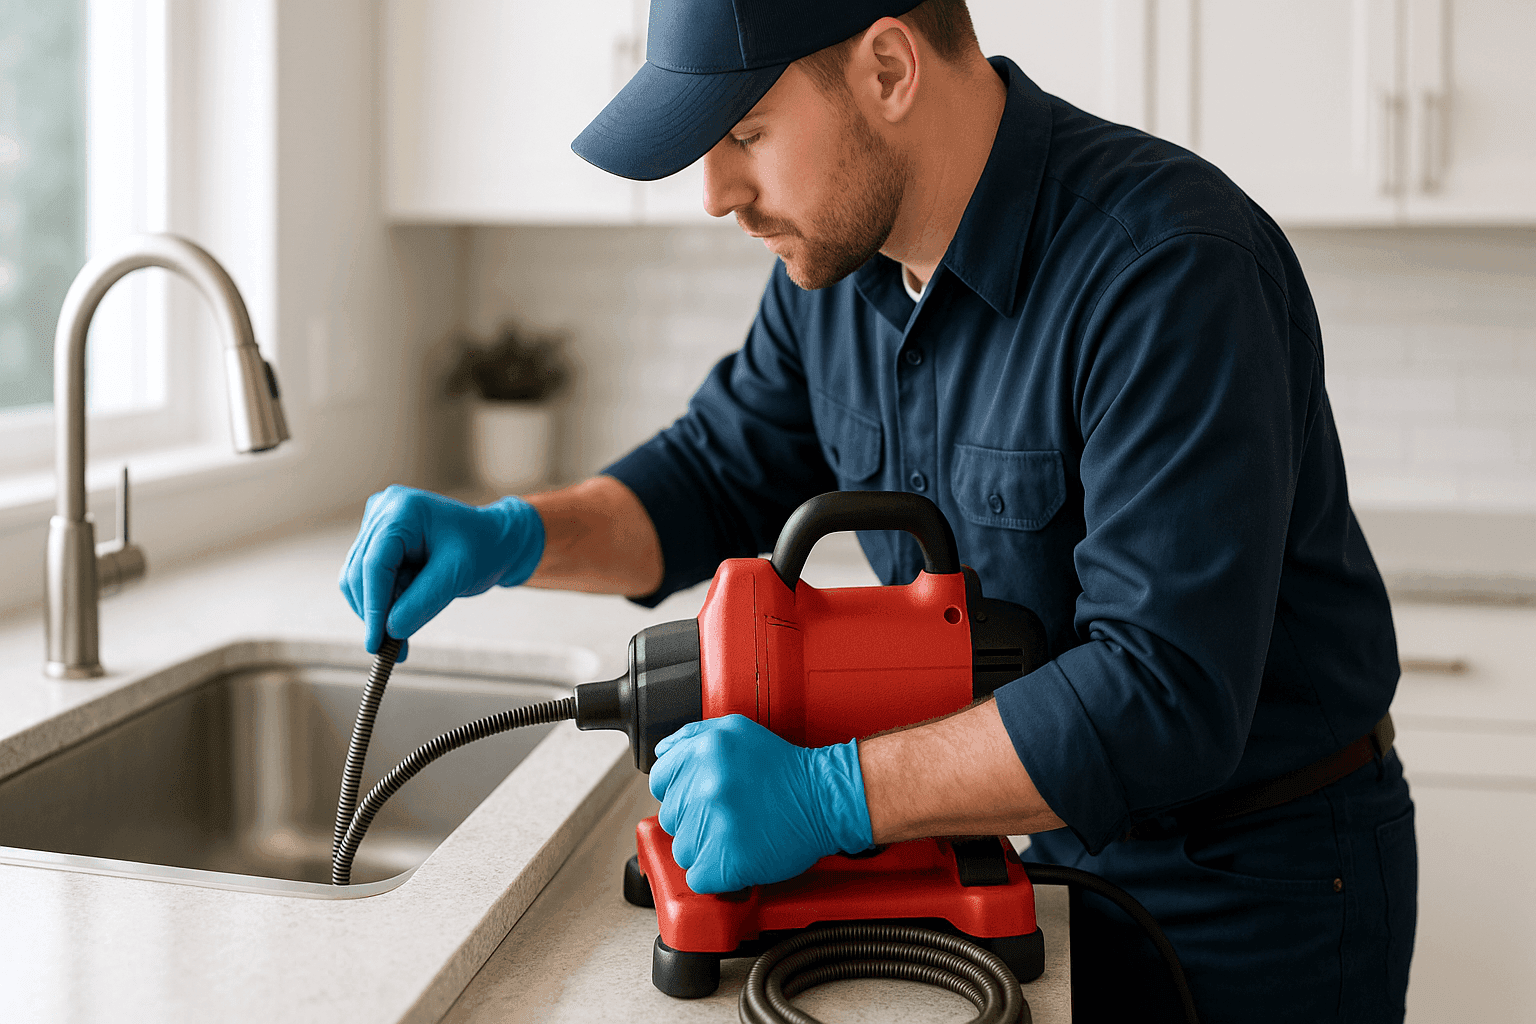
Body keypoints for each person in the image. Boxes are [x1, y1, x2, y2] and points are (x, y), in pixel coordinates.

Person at [340, 1, 1417, 1020]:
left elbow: (1162, 690)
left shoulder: (1168, 268)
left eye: (746, 133)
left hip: (1255, 886)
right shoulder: (839, 269)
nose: (714, 191)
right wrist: (509, 537)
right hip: (1026, 846)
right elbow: (712, 473)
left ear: (890, 68)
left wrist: (828, 795)